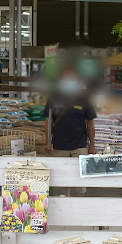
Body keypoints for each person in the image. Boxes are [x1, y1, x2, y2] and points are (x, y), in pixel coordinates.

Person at [45, 65, 96, 195]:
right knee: (61, 184)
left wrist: (92, 146)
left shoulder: (84, 98)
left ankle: (79, 209)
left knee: (80, 183)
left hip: (79, 146)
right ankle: (64, 208)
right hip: (59, 146)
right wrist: (47, 142)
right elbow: (48, 121)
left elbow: (90, 123)